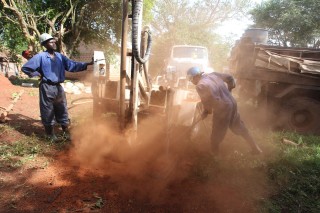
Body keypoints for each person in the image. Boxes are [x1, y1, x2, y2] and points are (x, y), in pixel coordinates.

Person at [21, 33, 94, 142]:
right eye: (51, 41)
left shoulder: (60, 56)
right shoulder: (40, 57)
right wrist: (38, 74)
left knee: (62, 108)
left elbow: (72, 65)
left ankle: (66, 132)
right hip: (47, 87)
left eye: (54, 41)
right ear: (45, 44)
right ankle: (50, 135)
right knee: (47, 109)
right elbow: (26, 68)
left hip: (58, 87)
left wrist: (88, 64)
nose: (54, 43)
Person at [186, 67, 262, 154]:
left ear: (196, 76)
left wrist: (206, 112)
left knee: (216, 133)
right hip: (232, 103)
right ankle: (256, 148)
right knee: (239, 127)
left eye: (191, 79)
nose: (191, 82)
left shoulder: (200, 86)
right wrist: (229, 92)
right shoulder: (213, 75)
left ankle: (215, 156)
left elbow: (207, 101)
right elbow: (230, 78)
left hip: (222, 108)